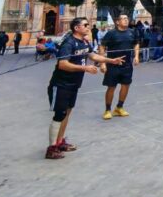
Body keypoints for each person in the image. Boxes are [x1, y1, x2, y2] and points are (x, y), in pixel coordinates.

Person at [46, 18, 118, 160]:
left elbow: (93, 55)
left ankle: (60, 142)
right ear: (76, 28)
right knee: (59, 115)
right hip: (61, 84)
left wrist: (110, 60)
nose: (88, 27)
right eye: (85, 25)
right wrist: (85, 68)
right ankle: (51, 148)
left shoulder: (84, 42)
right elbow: (62, 64)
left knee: (66, 113)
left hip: (73, 85)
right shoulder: (69, 43)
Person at [100, 13, 141, 119]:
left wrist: (136, 56)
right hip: (113, 65)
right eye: (123, 19)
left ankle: (119, 107)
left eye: (127, 18)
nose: (126, 20)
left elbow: (136, 43)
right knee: (111, 87)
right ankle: (107, 110)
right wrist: (103, 62)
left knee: (125, 85)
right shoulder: (111, 33)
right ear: (117, 22)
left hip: (127, 65)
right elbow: (102, 46)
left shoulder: (132, 32)